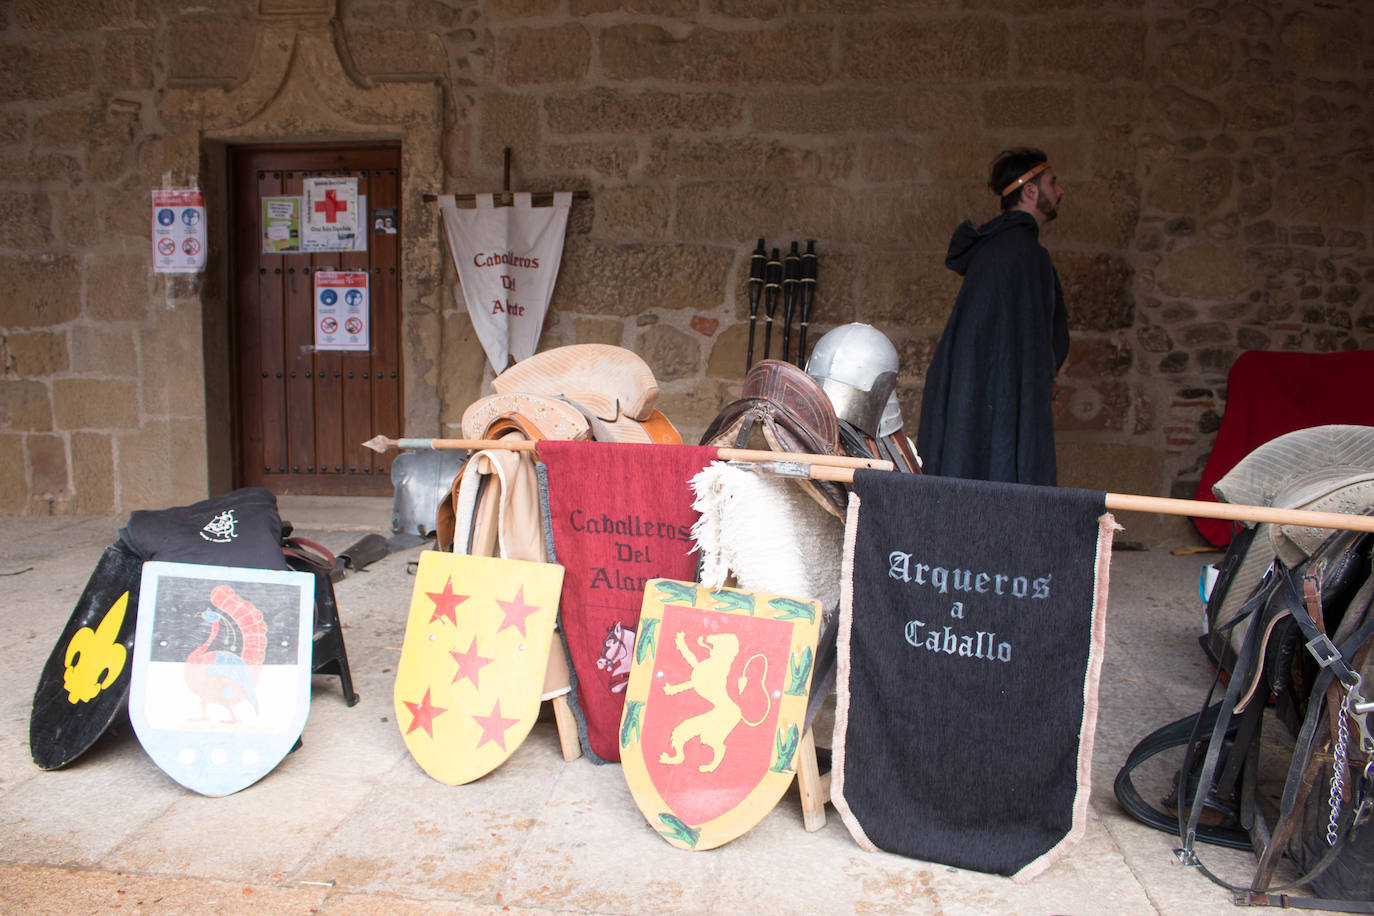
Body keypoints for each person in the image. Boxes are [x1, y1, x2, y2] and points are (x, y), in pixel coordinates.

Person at [915, 147, 1070, 486]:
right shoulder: (1025, 257)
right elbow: (1030, 353)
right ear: (1030, 191)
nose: (1059, 191)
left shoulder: (995, 252)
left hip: (978, 404)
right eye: (1052, 183)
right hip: (1004, 406)